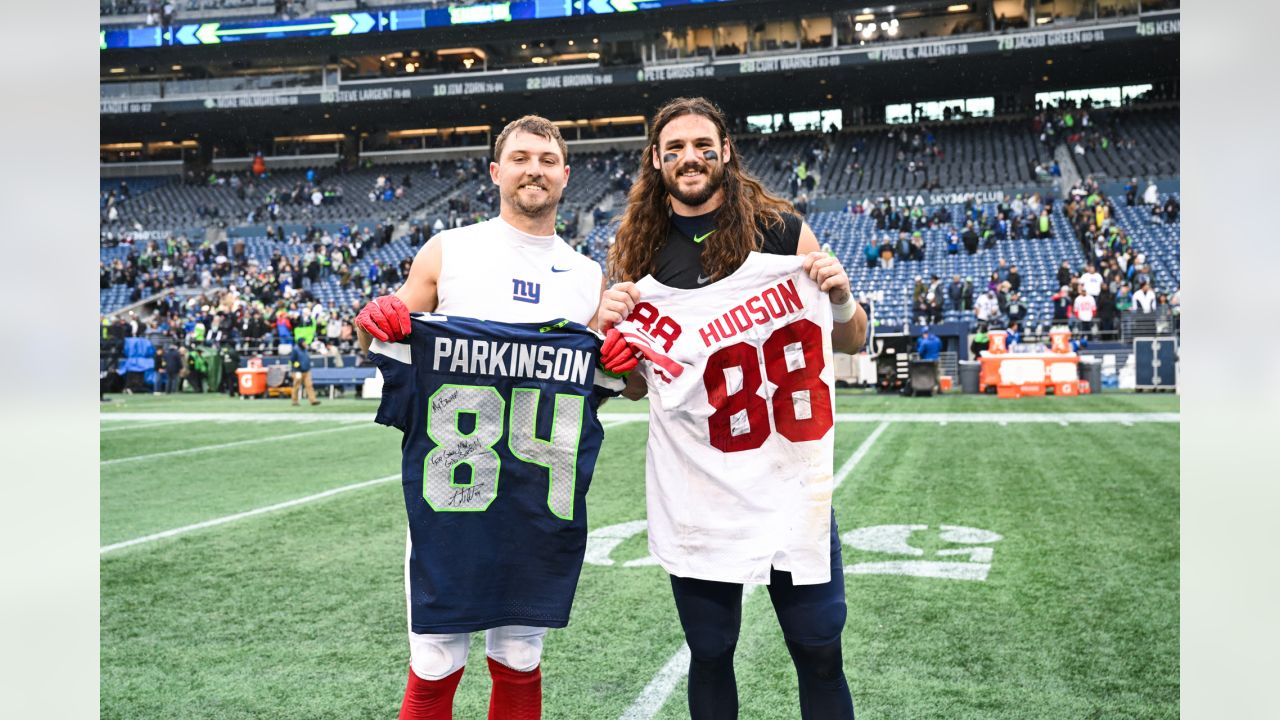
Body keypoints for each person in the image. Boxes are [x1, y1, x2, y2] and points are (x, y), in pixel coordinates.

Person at [595, 97, 866, 720]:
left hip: (788, 484)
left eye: (702, 145)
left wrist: (843, 299)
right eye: (675, 149)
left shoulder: (782, 232)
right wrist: (611, 352)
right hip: (698, 487)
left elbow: (850, 340)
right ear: (656, 161)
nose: (690, 157)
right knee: (710, 651)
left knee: (820, 648)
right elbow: (639, 385)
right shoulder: (637, 255)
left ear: (725, 153)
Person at [354, 116, 604, 720]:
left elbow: (604, 383)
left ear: (565, 176)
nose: (534, 169)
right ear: (497, 172)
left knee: (520, 653)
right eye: (520, 158)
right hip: (454, 494)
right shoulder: (450, 250)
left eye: (547, 159)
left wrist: (623, 364)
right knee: (436, 657)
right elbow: (379, 338)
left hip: (536, 496)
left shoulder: (587, 276)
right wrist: (374, 319)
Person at [288, 340, 320, 406]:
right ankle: (294, 401)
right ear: (300, 343)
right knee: (296, 386)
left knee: (309, 385)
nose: (305, 343)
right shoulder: (295, 350)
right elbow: (292, 360)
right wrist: (297, 366)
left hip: (306, 370)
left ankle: (313, 400)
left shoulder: (305, 350)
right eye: (304, 342)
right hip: (298, 371)